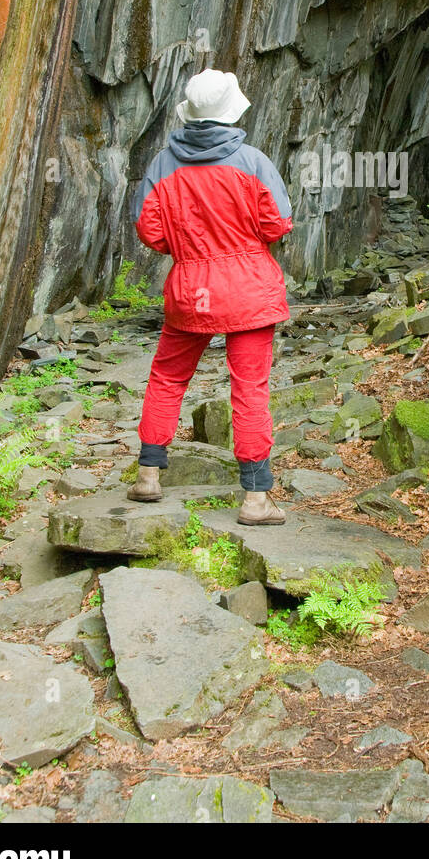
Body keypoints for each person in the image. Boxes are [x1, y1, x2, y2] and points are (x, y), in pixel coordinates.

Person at [128, 68, 292, 525]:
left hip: (190, 289)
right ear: (230, 111)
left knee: (167, 377)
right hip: (247, 290)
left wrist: (187, 248)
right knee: (250, 388)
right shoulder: (254, 162)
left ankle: (148, 475)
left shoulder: (163, 164)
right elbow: (277, 223)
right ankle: (256, 499)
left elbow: (149, 230)